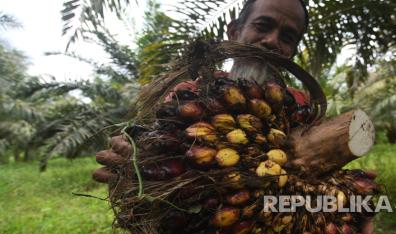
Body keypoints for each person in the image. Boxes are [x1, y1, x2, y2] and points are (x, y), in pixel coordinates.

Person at [92, 0, 311, 183]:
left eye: (287, 38)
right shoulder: (190, 93)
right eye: (262, 26)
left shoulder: (301, 105)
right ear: (234, 32)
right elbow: (159, 144)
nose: (272, 41)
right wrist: (136, 154)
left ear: (291, 52)